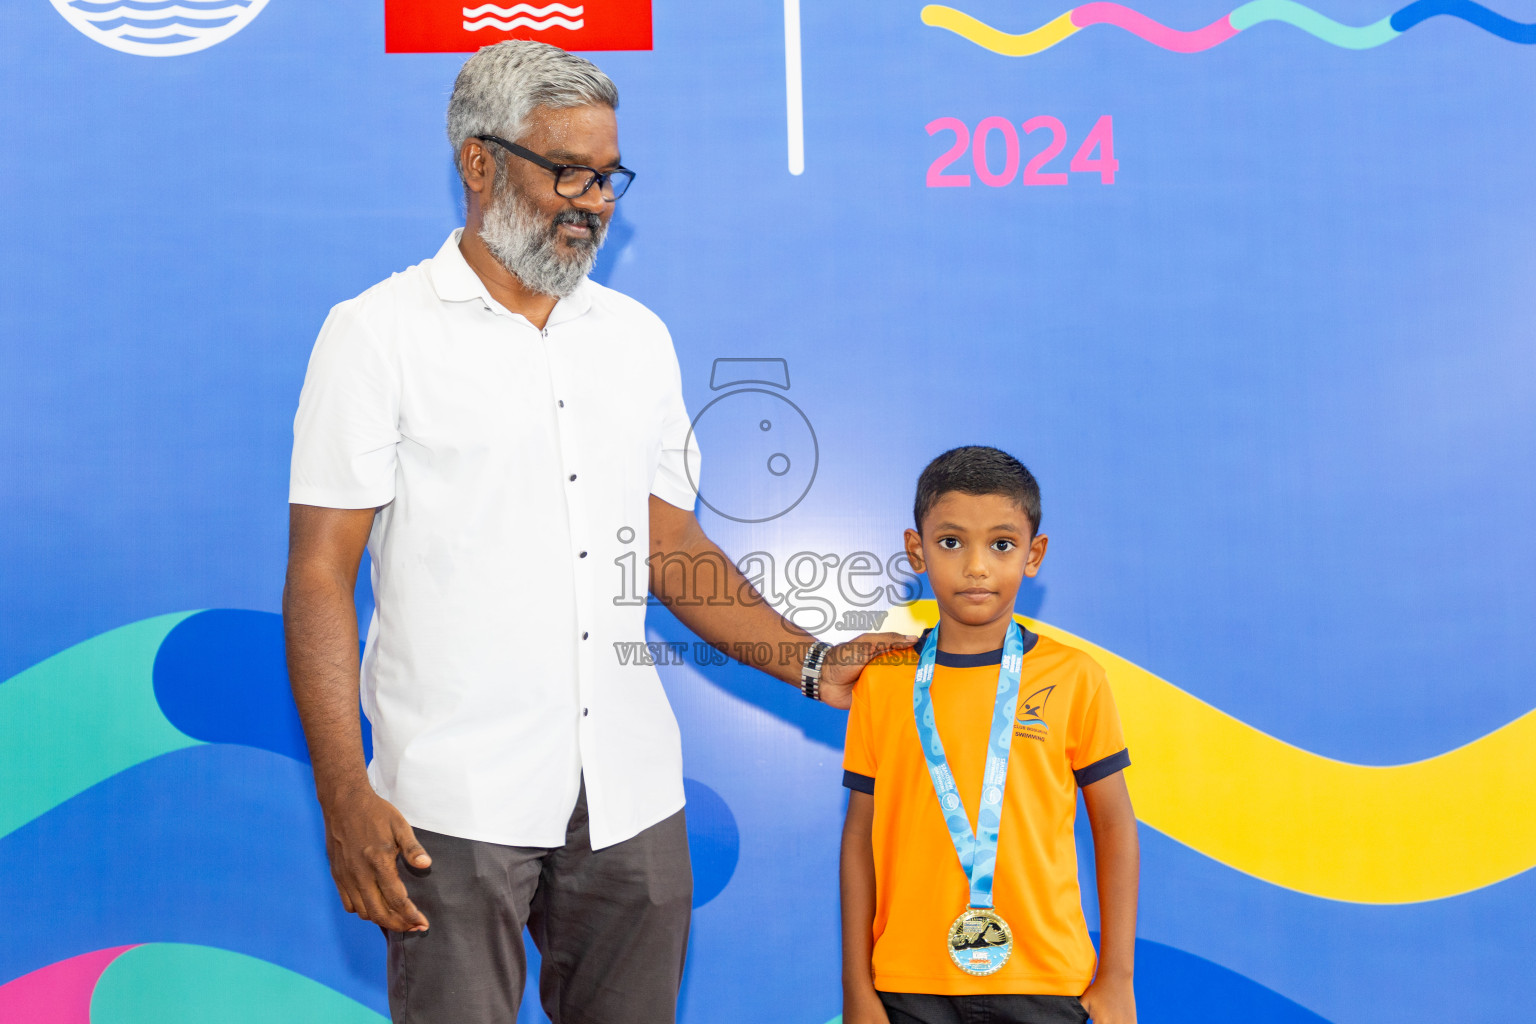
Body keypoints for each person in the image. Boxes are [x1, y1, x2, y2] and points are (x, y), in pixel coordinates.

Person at [283, 40, 912, 1024]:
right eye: (566, 169)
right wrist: (344, 795)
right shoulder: (376, 335)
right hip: (451, 801)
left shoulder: (636, 338)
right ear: (479, 164)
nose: (593, 199)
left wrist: (808, 660)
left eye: (608, 174)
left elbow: (670, 545)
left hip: (628, 796)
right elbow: (321, 575)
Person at [840, 446, 1139, 1024]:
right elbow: (859, 838)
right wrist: (857, 984)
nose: (976, 566)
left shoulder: (1076, 679)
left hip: (1048, 979)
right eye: (951, 542)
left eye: (1001, 544)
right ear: (916, 551)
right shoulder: (883, 682)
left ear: (1034, 554)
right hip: (908, 983)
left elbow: (1114, 825)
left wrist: (1118, 978)